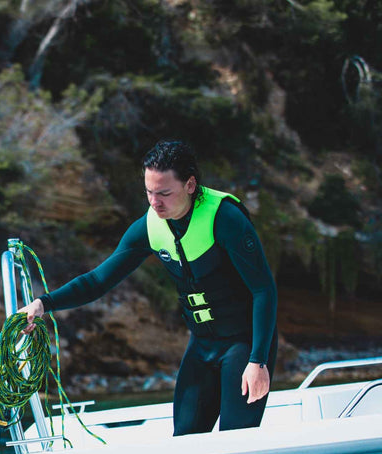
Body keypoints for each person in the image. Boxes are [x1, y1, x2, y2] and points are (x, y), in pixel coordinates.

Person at [21, 140, 278, 436]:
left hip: (246, 343)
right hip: (202, 344)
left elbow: (264, 290)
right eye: (149, 192)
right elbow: (97, 281)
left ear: (190, 185)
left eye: (164, 193)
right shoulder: (149, 227)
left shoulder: (225, 219)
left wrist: (258, 361)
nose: (155, 203)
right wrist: (43, 304)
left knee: (236, 442)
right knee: (184, 439)